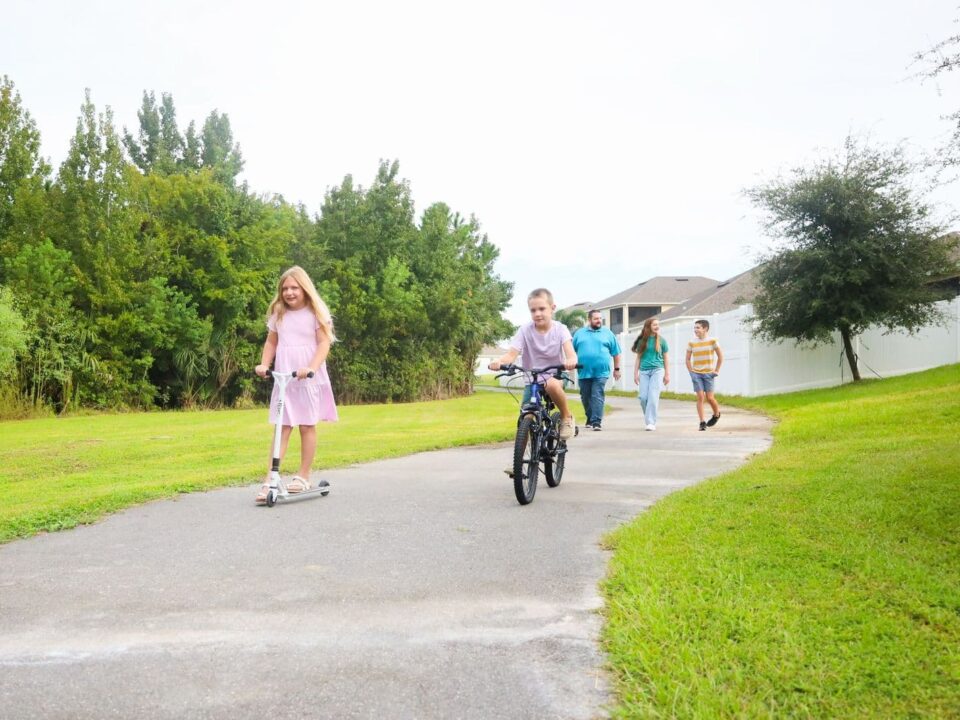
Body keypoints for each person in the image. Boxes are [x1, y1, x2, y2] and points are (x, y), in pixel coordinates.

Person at [254, 266, 338, 504]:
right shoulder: (278, 313)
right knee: (282, 426)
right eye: (285, 288)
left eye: (294, 288)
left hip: (307, 376)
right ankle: (271, 478)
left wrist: (311, 367)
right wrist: (263, 364)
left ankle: (303, 475)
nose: (289, 292)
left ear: (304, 288)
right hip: (284, 377)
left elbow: (324, 344)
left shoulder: (315, 312)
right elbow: (271, 342)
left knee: (307, 425)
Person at [489, 287, 579, 447]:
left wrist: (571, 360)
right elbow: (511, 354)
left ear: (552, 308)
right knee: (525, 417)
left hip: (554, 376)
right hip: (533, 379)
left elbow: (571, 353)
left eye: (542, 309)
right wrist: (499, 362)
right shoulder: (524, 330)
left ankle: (566, 417)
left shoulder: (560, 329)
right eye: (533, 310)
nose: (537, 313)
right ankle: (519, 462)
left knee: (550, 384)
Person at [572, 309, 621, 431]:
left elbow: (616, 353)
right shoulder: (579, 334)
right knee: (585, 396)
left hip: (601, 372)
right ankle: (589, 417)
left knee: (597, 394)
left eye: (600, 318)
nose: (599, 320)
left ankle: (596, 421)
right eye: (596, 318)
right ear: (589, 320)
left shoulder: (608, 333)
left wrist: (617, 369)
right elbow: (571, 352)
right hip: (583, 372)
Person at [632, 317, 669, 431]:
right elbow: (638, 358)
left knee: (653, 396)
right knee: (643, 397)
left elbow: (666, 358)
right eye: (654, 325)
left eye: (658, 324)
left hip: (658, 370)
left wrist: (667, 374)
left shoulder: (662, 340)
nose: (657, 326)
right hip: (644, 371)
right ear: (648, 327)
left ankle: (651, 422)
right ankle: (649, 416)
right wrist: (635, 374)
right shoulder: (641, 341)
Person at [686, 318, 723, 431]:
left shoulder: (713, 341)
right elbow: (687, 359)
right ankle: (702, 422)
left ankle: (716, 414)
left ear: (705, 328)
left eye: (698, 327)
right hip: (696, 374)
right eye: (694, 327)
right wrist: (691, 372)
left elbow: (720, 357)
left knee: (710, 398)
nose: (695, 330)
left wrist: (716, 370)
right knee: (700, 397)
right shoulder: (691, 342)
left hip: (709, 374)